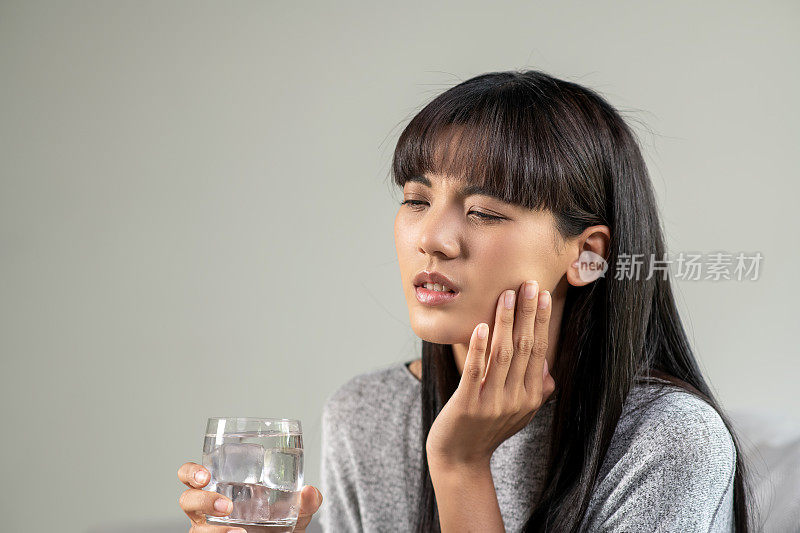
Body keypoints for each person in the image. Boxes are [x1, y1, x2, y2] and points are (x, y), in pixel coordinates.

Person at [178, 69, 754, 532]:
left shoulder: (668, 440)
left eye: (483, 211)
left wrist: (460, 467)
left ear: (587, 256)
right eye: (416, 199)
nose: (433, 238)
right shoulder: (367, 414)